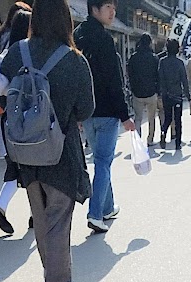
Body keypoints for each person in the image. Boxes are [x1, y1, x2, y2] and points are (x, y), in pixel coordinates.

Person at [0, 0, 95, 282]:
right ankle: (56, 279)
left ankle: (52, 273)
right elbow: (85, 109)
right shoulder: (74, 60)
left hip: (25, 150)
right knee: (57, 216)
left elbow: (2, 92)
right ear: (66, 20)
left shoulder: (17, 52)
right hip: (60, 151)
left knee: (39, 215)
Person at [74, 0, 135, 234]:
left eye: (113, 8)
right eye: (108, 7)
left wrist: (76, 110)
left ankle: (107, 207)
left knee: (100, 160)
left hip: (87, 112)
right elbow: (113, 82)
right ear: (95, 9)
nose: (113, 12)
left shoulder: (77, 36)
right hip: (108, 112)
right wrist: (125, 115)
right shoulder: (105, 40)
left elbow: (75, 78)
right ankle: (95, 213)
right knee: (102, 162)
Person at [0, 9, 33, 235]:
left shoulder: (3, 55)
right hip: (32, 119)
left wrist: (6, 95)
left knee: (14, 165)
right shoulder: (30, 52)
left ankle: (1, 207)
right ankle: (36, 214)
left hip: (8, 119)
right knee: (34, 166)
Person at [127, 33, 159, 147]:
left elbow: (130, 74)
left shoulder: (133, 57)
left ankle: (138, 140)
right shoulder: (154, 58)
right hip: (151, 92)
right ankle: (150, 140)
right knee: (151, 118)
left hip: (137, 93)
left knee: (138, 118)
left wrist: (132, 88)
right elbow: (157, 75)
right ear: (150, 43)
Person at [158, 38, 190, 151]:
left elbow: (160, 78)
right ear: (177, 49)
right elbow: (184, 80)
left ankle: (163, 132)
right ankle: (178, 143)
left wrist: (162, 92)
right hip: (177, 95)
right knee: (177, 119)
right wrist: (188, 94)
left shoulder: (162, 61)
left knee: (167, 117)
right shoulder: (180, 63)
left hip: (166, 94)